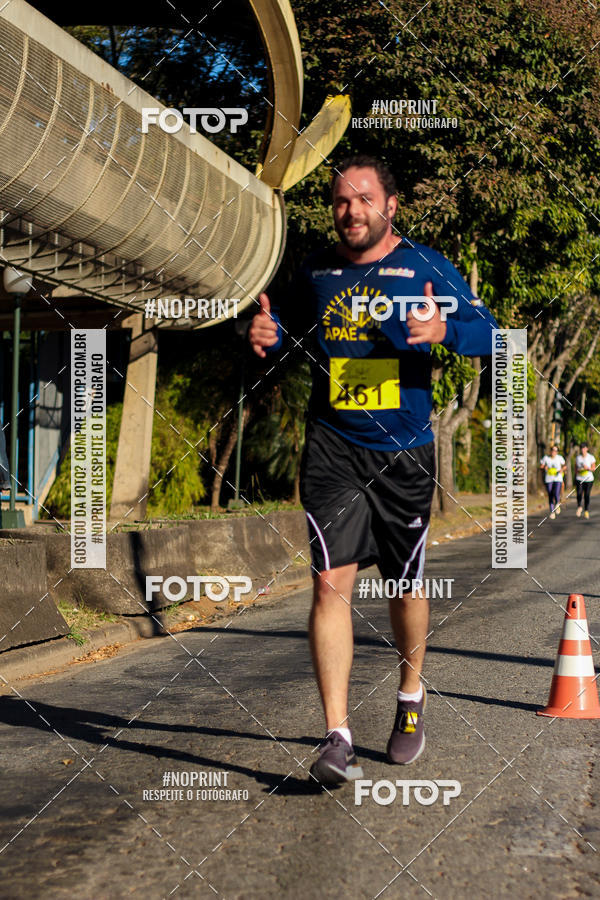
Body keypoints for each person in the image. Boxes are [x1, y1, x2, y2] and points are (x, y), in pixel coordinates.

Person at [249, 155, 498, 785]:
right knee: (329, 585)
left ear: (391, 206)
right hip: (332, 446)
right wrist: (268, 336)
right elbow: (287, 329)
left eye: (363, 199)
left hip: (403, 451)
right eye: (341, 200)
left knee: (404, 586)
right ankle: (338, 737)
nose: (351, 211)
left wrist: (445, 329)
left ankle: (411, 693)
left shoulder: (425, 266)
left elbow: (492, 334)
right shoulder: (316, 271)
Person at [540, 444, 566, 519]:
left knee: (556, 493)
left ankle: (557, 504)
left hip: (558, 478)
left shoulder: (559, 458)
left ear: (557, 452)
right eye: (552, 450)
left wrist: (562, 470)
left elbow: (564, 466)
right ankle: (552, 512)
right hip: (549, 479)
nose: (554, 452)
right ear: (550, 451)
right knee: (550, 494)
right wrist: (544, 467)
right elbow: (541, 466)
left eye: (555, 451)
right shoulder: (546, 458)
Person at [575, 442, 596, 518]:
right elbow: (576, 468)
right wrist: (578, 470)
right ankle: (579, 507)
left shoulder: (591, 457)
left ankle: (586, 510)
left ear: (587, 448)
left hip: (589, 479)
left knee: (587, 494)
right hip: (579, 479)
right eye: (581, 448)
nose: (582, 450)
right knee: (579, 493)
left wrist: (587, 468)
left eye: (584, 448)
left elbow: (593, 468)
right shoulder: (578, 458)